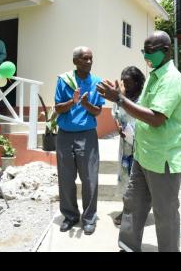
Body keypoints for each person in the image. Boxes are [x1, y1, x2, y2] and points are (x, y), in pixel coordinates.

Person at [97, 31, 181, 252]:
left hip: (163, 159)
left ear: (166, 51)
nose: (146, 56)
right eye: (144, 51)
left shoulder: (172, 80)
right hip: (143, 154)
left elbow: (156, 118)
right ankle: (127, 247)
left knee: (164, 213)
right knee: (133, 204)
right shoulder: (154, 75)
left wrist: (119, 99)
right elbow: (140, 110)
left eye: (150, 51)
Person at [54, 46, 105, 235]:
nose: (89, 62)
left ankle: (89, 218)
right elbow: (58, 108)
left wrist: (85, 104)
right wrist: (72, 102)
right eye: (85, 59)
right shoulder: (64, 80)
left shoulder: (97, 82)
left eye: (91, 58)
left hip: (87, 135)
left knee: (90, 178)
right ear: (75, 61)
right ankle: (70, 215)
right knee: (66, 179)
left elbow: (98, 111)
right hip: (65, 136)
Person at [111, 66, 145, 226]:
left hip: (141, 145)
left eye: (129, 83)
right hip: (125, 145)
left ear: (138, 83)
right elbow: (116, 113)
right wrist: (118, 125)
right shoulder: (121, 96)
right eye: (124, 82)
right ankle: (127, 210)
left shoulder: (145, 97)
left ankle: (137, 212)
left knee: (138, 179)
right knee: (126, 177)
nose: (125, 86)